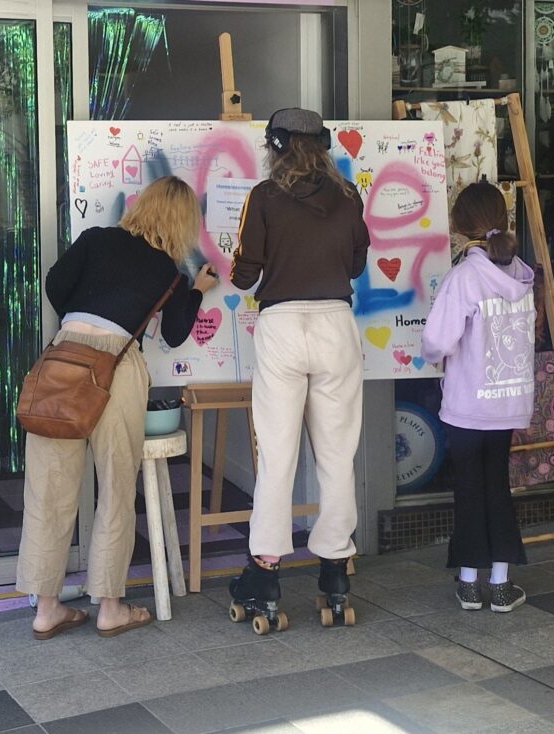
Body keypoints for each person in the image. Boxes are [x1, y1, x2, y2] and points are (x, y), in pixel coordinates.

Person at [16, 176, 218, 639]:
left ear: (142, 204)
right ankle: (110, 608)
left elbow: (55, 284)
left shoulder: (96, 239)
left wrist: (82, 320)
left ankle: (46, 610)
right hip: (118, 368)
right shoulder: (169, 272)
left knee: (48, 487)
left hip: (65, 357)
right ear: (183, 222)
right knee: (116, 487)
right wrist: (197, 290)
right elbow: (173, 334)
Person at [228, 107, 370, 628]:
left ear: (275, 147)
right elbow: (357, 263)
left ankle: (265, 572)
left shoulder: (263, 197)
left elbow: (244, 275)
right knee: (337, 455)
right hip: (336, 323)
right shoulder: (348, 196)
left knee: (277, 456)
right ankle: (335, 571)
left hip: (282, 325)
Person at [421, 182, 535, 613]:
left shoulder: (464, 278)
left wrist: (434, 355)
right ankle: (501, 585)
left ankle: (469, 583)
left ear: (458, 225)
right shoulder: (520, 275)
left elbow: (438, 341)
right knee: (498, 488)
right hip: (508, 403)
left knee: (469, 490)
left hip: (469, 404)